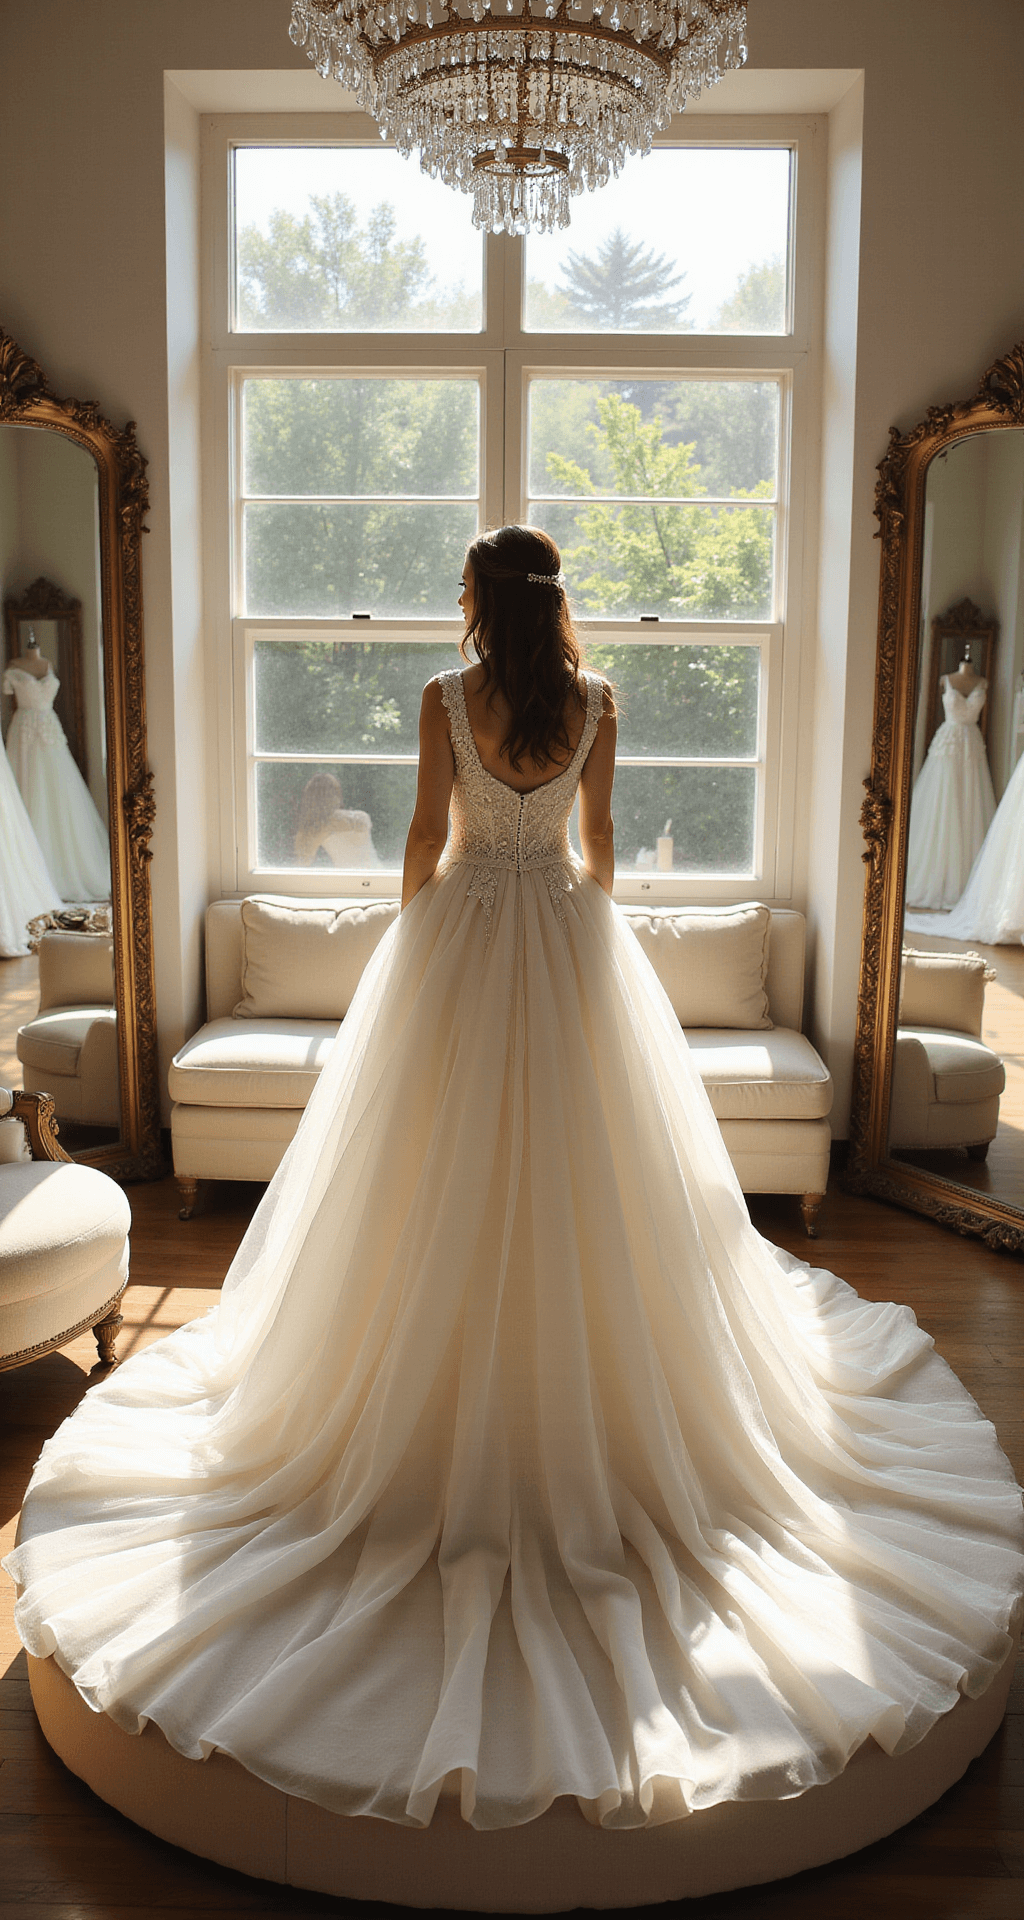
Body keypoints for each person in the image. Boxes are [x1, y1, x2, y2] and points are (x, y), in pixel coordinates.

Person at [5, 526, 1023, 1834]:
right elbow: (599, 847)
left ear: (484, 603)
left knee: (427, 1170)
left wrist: (418, 940)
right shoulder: (597, 705)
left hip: (460, 939)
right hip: (567, 935)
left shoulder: (445, 699)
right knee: (587, 1175)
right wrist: (570, 917)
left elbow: (425, 840)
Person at [3, 629, 110, 902]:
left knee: (58, 795)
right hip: (24, 733)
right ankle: (32, 869)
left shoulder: (47, 664)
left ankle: (65, 866)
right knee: (27, 788)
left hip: (50, 733)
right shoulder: (14, 666)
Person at [293, 770, 379, 869]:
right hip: (369, 873)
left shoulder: (316, 828)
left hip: (363, 874)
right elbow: (303, 861)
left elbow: (303, 861)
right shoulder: (359, 816)